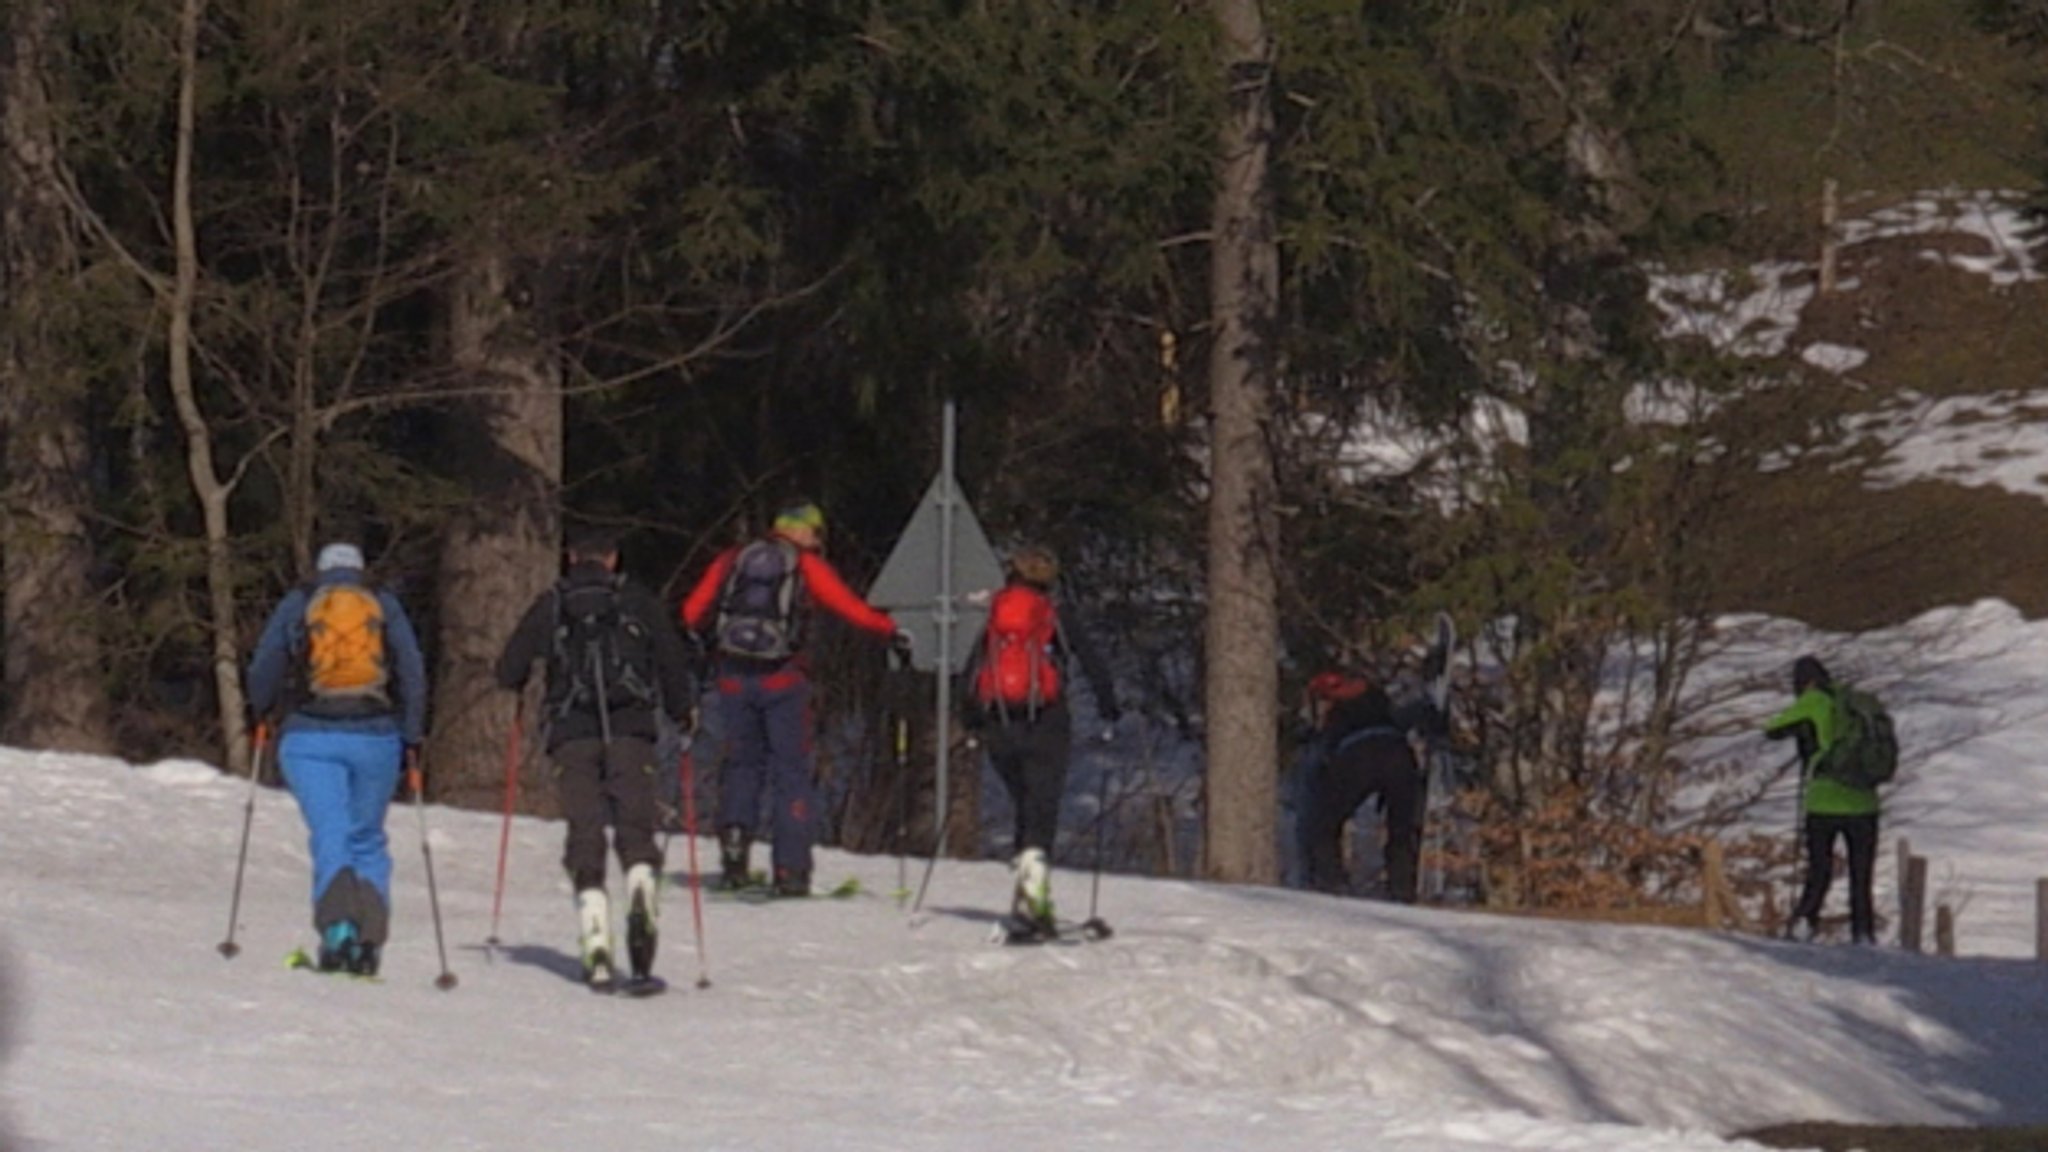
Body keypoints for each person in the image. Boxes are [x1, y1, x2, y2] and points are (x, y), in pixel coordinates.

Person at [496, 528, 696, 988]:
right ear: (612, 557)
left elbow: (508, 670)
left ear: (570, 556)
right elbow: (670, 658)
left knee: (585, 830)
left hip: (572, 734)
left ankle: (594, 929)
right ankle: (642, 879)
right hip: (632, 731)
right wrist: (681, 712)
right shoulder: (637, 600)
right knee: (635, 825)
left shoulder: (552, 602)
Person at [680, 501, 905, 897]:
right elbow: (849, 607)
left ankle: (734, 850)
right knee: (791, 771)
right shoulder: (805, 566)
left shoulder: (733, 559)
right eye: (815, 535)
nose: (816, 543)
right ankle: (791, 869)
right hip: (784, 679)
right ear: (803, 532)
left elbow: (691, 610)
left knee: (741, 763)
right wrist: (890, 630)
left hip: (732, 676)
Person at [246, 541, 429, 977]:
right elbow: (412, 669)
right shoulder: (383, 603)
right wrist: (411, 732)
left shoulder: (301, 601)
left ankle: (338, 933)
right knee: (367, 837)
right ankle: (368, 942)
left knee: (331, 832)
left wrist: (262, 709)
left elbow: (266, 663)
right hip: (376, 738)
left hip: (309, 738)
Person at [958, 545, 1119, 935]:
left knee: (1025, 808)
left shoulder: (997, 615)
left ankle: (1026, 899)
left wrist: (973, 723)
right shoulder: (1054, 614)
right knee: (1039, 814)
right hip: (1045, 722)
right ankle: (1032, 905)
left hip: (999, 724)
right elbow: (1091, 660)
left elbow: (970, 671)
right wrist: (1109, 706)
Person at [1765, 655, 1880, 945]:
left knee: (1820, 867)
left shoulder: (1813, 700)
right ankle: (1863, 932)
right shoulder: (1859, 702)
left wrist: (1804, 733)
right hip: (1865, 802)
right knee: (1861, 872)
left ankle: (1806, 920)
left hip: (1823, 802)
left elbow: (1773, 729)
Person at [1299, 670, 1425, 903]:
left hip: (1356, 755)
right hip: (1398, 751)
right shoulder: (1379, 700)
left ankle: (1329, 884)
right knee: (1401, 828)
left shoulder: (1334, 712)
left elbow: (1321, 748)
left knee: (1324, 822)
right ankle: (1403, 890)